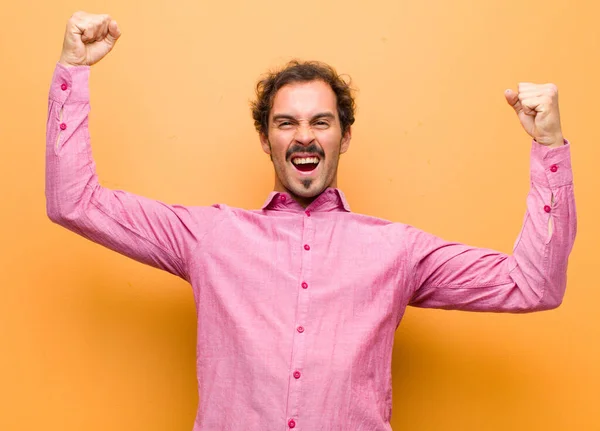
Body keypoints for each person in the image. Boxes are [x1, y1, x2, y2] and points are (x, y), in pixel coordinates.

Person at [46, 11, 577, 431]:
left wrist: (548, 147)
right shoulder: (208, 236)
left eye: (321, 121)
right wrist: (74, 68)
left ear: (343, 137)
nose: (304, 136)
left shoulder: (398, 251)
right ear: (266, 139)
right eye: (286, 123)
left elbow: (531, 285)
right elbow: (75, 202)